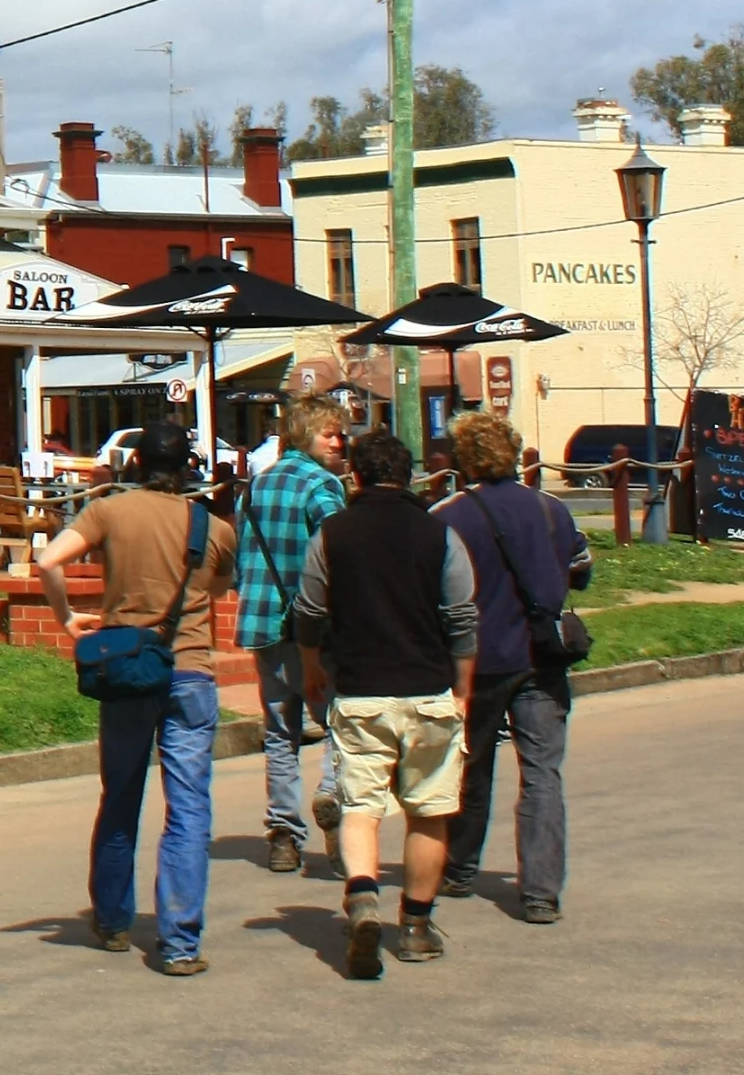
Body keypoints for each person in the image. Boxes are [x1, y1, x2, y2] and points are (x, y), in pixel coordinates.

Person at [36, 421, 235, 976]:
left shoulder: (108, 511)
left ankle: (114, 918)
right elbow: (217, 591)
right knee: (189, 807)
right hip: (191, 670)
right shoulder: (212, 527)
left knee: (121, 794)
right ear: (186, 470)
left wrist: (68, 617)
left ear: (135, 464)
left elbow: (50, 561)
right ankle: (180, 941)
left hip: (128, 669)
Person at [295, 428, 480, 979]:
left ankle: (363, 896)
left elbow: (308, 610)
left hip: (358, 693)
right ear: (410, 476)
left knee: (361, 808)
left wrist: (310, 666)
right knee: (429, 811)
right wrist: (464, 687)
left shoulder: (333, 534)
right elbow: (462, 618)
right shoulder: (439, 535)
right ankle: (417, 927)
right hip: (427, 688)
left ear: (354, 475)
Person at [434, 412, 587, 924]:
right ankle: (541, 890)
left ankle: (458, 866)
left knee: (470, 765)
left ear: (462, 460)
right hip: (541, 656)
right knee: (542, 773)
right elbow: (580, 570)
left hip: (476, 662)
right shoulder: (550, 509)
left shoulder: (448, 516)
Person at [234, 396, 351, 875]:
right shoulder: (323, 486)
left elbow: (243, 558)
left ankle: (283, 834)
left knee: (281, 733)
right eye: (330, 433)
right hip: (315, 629)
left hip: (263, 624)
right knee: (338, 725)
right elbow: (340, 555)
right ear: (306, 436)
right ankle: (334, 804)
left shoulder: (255, 487)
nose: (339, 441)